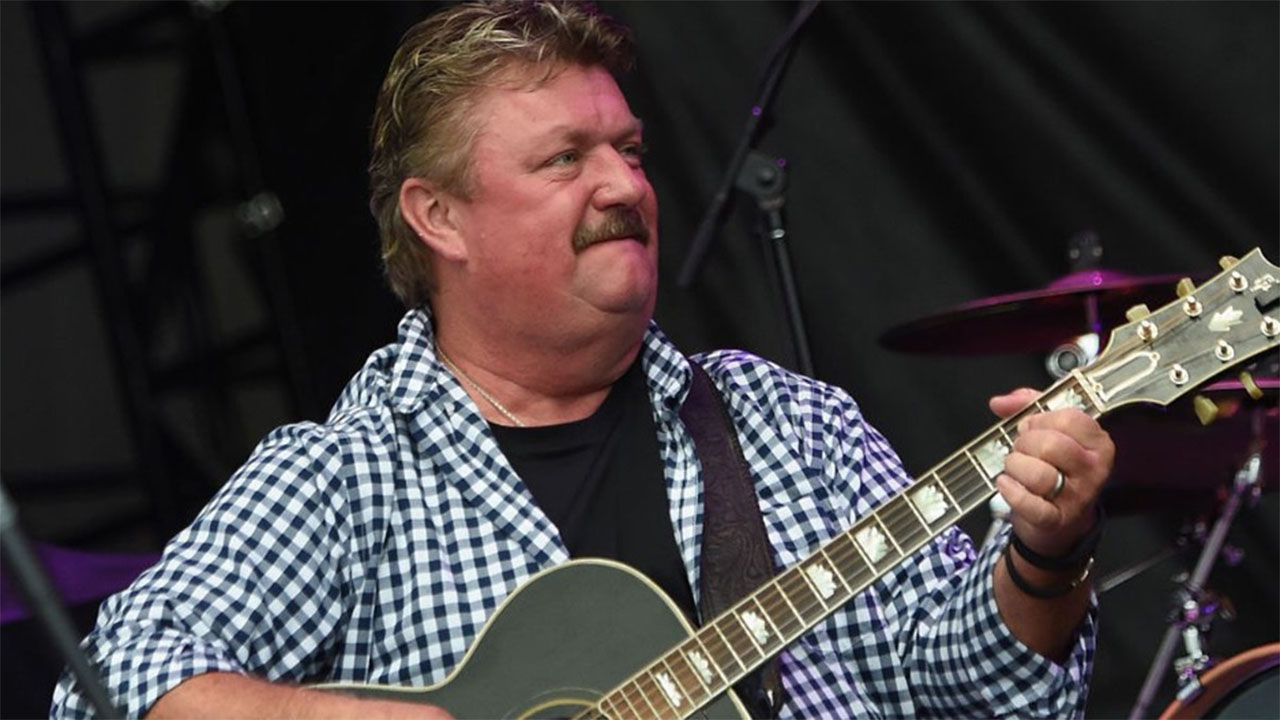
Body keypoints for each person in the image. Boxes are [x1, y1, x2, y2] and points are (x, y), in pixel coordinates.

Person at [52, 2, 1114, 718]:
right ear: (438, 217)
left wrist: (1044, 556)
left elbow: (985, 697)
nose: (623, 185)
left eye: (629, 150)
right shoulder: (346, 476)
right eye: (565, 159)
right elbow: (106, 686)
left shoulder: (789, 423)